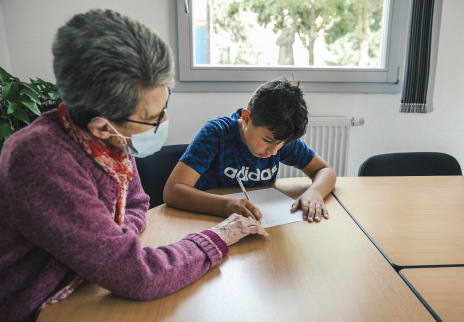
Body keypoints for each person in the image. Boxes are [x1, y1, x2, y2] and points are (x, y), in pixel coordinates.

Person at [0, 9, 267, 322]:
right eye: (152, 119)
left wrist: (110, 246)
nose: (163, 122)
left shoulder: (110, 140)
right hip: (39, 307)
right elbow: (139, 276)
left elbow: (136, 202)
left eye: (163, 107)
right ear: (101, 127)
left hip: (86, 282)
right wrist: (217, 237)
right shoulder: (41, 162)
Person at [164, 78, 337, 223]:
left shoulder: (279, 138)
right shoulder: (217, 133)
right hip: (208, 220)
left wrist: (315, 192)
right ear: (246, 118)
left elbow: (325, 170)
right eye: (267, 141)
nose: (274, 152)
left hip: (257, 222)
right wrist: (225, 205)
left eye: (281, 144)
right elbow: (172, 191)